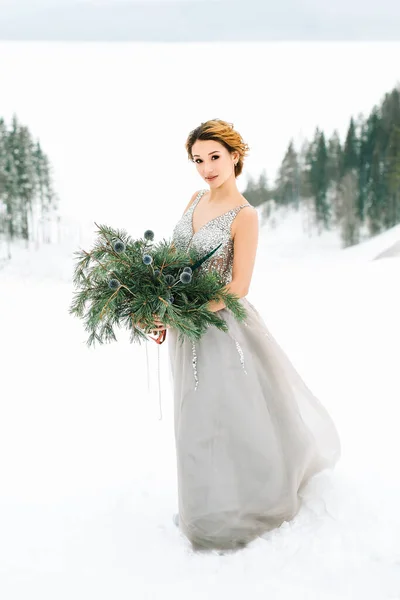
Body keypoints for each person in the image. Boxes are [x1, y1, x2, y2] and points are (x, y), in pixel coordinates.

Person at [152, 118, 341, 551]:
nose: (206, 168)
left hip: (221, 328)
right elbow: (172, 261)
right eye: (198, 159)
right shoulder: (194, 198)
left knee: (222, 416)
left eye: (214, 157)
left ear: (235, 156)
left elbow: (238, 287)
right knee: (190, 420)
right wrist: (158, 307)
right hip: (185, 330)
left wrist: (184, 310)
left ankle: (242, 507)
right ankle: (202, 509)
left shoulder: (245, 214)